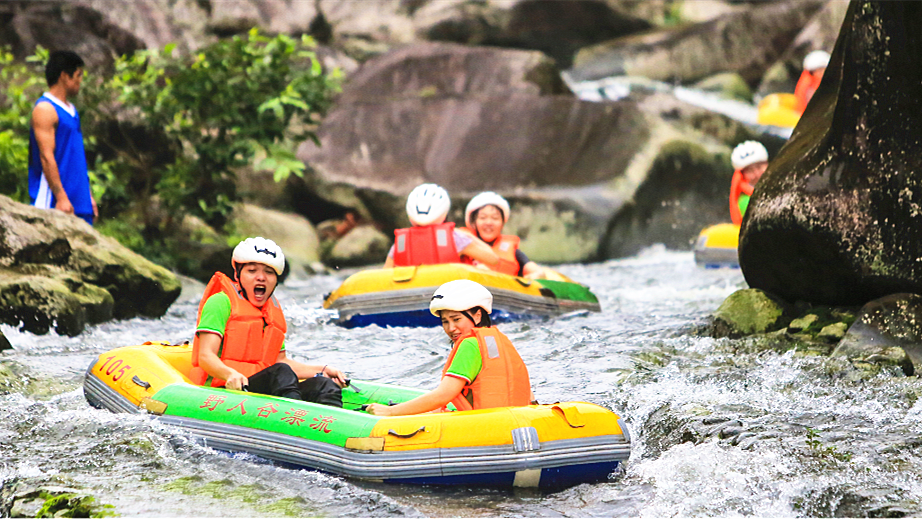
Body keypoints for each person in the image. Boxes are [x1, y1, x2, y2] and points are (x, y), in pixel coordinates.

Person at [189, 237, 346, 407]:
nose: (261, 278)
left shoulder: (272, 311)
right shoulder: (220, 302)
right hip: (224, 389)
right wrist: (229, 374)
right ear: (237, 274)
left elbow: (280, 361)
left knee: (323, 384)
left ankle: (331, 422)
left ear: (276, 280)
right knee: (281, 373)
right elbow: (205, 356)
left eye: (269, 272)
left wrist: (321, 370)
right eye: (252, 271)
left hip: (261, 387)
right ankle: (295, 414)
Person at [366, 280, 533, 416]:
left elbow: (443, 395)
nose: (450, 328)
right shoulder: (499, 340)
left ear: (477, 315)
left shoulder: (469, 345)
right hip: (511, 421)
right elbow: (529, 396)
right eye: (445, 321)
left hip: (484, 428)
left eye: (456, 319)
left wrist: (391, 411)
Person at [28, 50, 97, 225]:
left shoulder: (72, 111)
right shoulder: (45, 109)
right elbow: (46, 156)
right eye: (78, 75)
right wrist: (61, 197)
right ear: (65, 76)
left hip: (79, 202)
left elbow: (76, 158)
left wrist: (87, 196)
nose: (80, 81)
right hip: (55, 203)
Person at [384, 183, 499, 268]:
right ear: (444, 212)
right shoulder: (456, 238)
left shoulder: (401, 242)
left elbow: (385, 274)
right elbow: (493, 259)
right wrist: (469, 236)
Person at [460, 191, 546, 279]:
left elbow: (535, 271)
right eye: (483, 218)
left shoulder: (513, 251)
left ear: (502, 223)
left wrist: (537, 274)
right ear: (474, 223)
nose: (489, 223)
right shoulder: (461, 244)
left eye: (495, 218)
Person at [729, 141, 769, 225]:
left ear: (767, 164)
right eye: (750, 170)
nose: (757, 174)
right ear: (742, 175)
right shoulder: (745, 202)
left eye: (759, 167)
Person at [794, 50, 830, 114]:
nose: (823, 73)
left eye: (824, 69)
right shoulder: (810, 89)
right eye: (819, 70)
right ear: (812, 73)